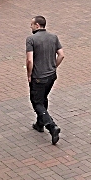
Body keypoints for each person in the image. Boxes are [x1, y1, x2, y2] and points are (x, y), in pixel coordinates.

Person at [26, 15, 65, 145]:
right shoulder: (53, 37)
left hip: (38, 77)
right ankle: (39, 123)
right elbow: (61, 54)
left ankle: (51, 126)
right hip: (51, 76)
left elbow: (30, 60)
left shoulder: (31, 39)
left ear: (37, 25)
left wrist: (29, 74)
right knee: (43, 98)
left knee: (36, 101)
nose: (30, 27)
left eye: (32, 24)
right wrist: (54, 66)